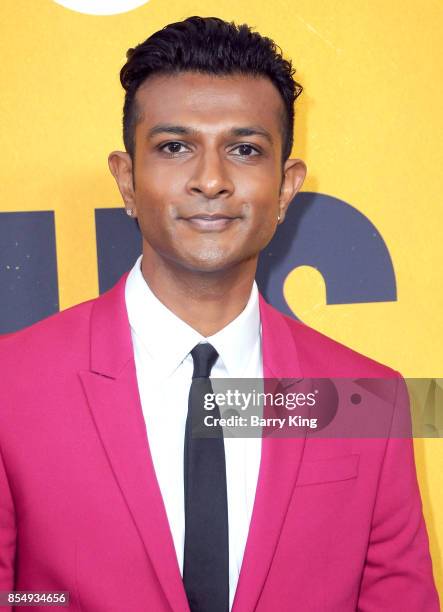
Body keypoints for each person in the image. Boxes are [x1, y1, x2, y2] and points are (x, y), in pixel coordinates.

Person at [0, 15, 439, 612]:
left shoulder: (366, 399)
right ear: (127, 181)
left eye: (244, 149)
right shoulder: (12, 384)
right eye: (175, 147)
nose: (211, 180)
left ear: (286, 188)